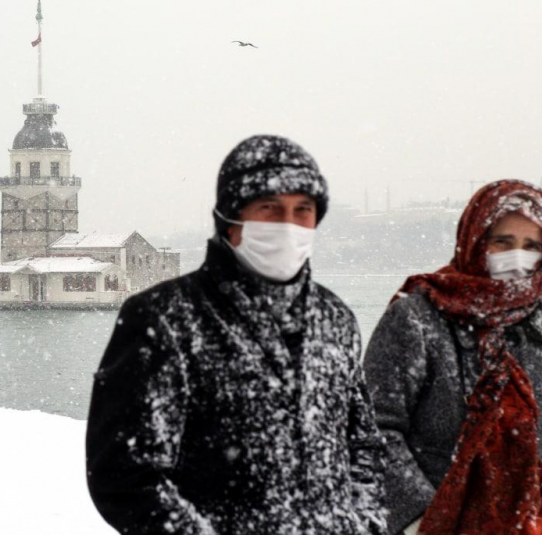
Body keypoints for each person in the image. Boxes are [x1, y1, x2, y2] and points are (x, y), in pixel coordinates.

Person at [85, 135, 387, 534]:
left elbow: (363, 445)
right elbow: (125, 475)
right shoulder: (165, 319)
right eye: (269, 208)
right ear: (231, 220)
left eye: (303, 210)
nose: (289, 225)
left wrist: (364, 523)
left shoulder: (335, 319)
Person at [364, 180, 542, 535]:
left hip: (540, 526)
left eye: (531, 245)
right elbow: (373, 428)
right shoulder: (418, 318)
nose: (518, 255)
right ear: (476, 240)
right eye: (502, 241)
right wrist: (421, 521)